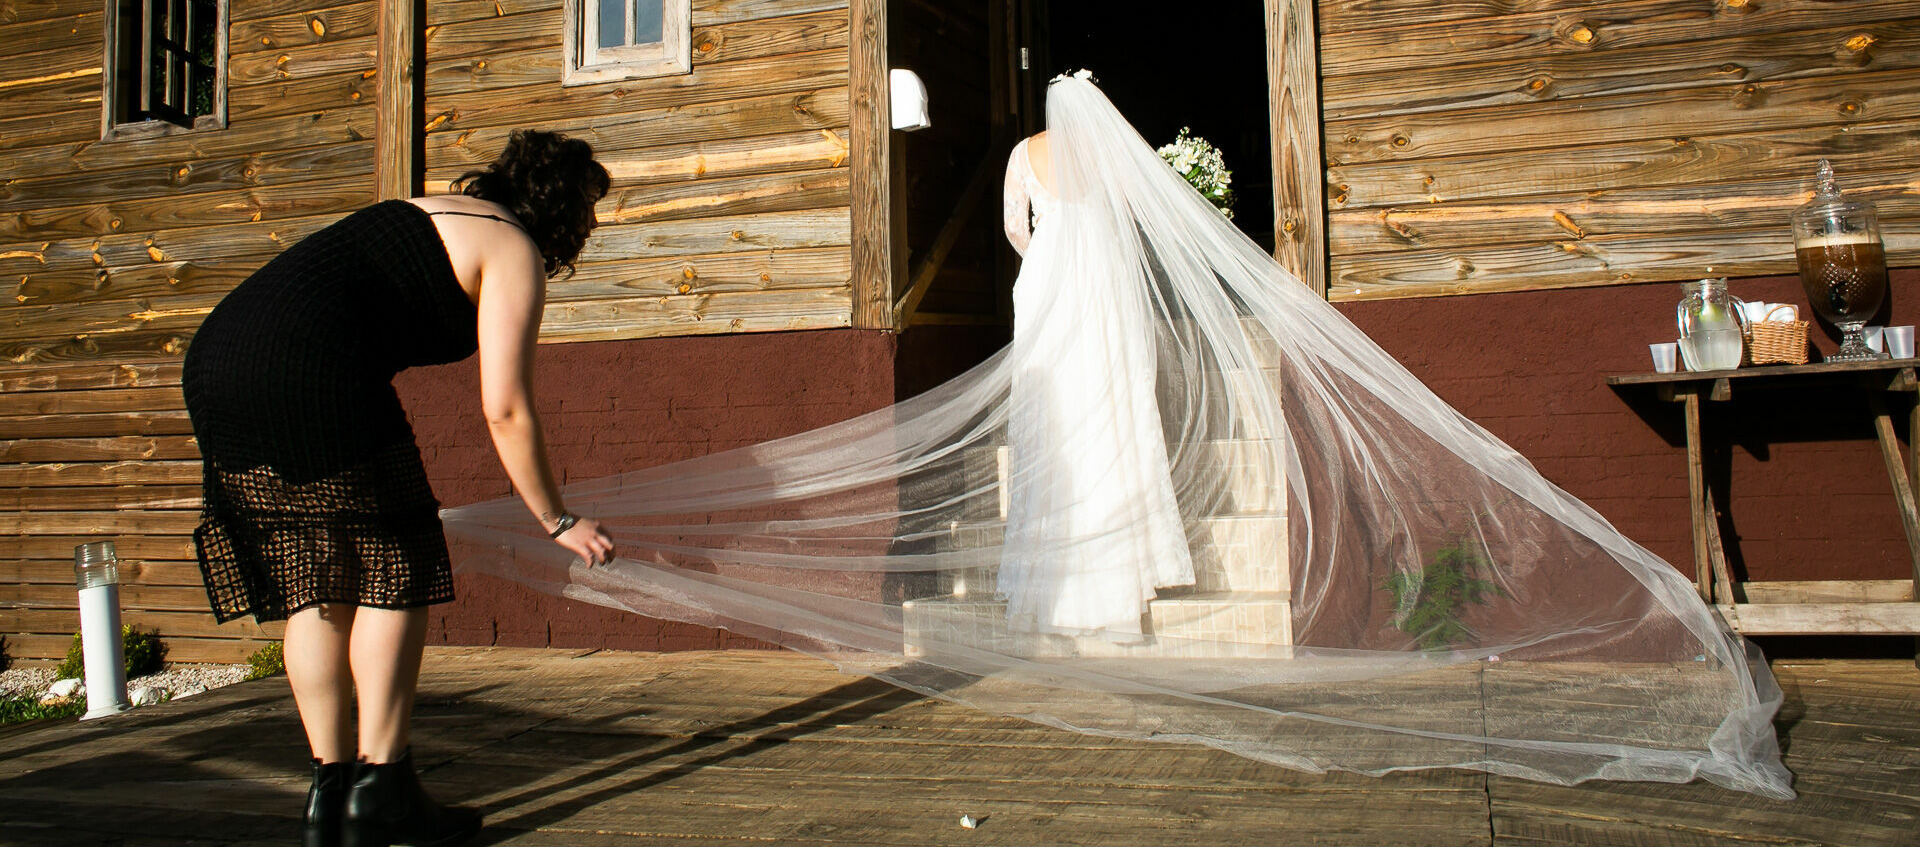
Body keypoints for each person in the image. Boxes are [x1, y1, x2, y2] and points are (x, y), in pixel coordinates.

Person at [442, 77, 1792, 797]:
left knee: (1062, 438)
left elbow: (1025, 245)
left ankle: (1067, 589)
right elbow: (1151, 238)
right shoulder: (1122, 161)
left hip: (1049, 311)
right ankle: (1126, 574)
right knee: (1113, 432)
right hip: (1108, 312)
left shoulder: (1028, 164)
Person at [184, 130, 617, 847]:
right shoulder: (512, 250)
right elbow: (504, 407)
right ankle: (382, 787)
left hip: (219, 362)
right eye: (590, 209)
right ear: (560, 206)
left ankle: (332, 798)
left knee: (316, 582)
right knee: (395, 569)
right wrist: (555, 517)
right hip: (309, 375)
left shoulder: (434, 208)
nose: (593, 226)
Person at [999, 104, 1195, 640]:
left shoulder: (1024, 152)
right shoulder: (1105, 150)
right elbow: (1137, 208)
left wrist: (1048, 252)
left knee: (1053, 410)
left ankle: (1052, 590)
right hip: (1104, 278)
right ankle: (1117, 585)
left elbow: (1015, 227)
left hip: (1048, 282)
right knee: (1109, 410)